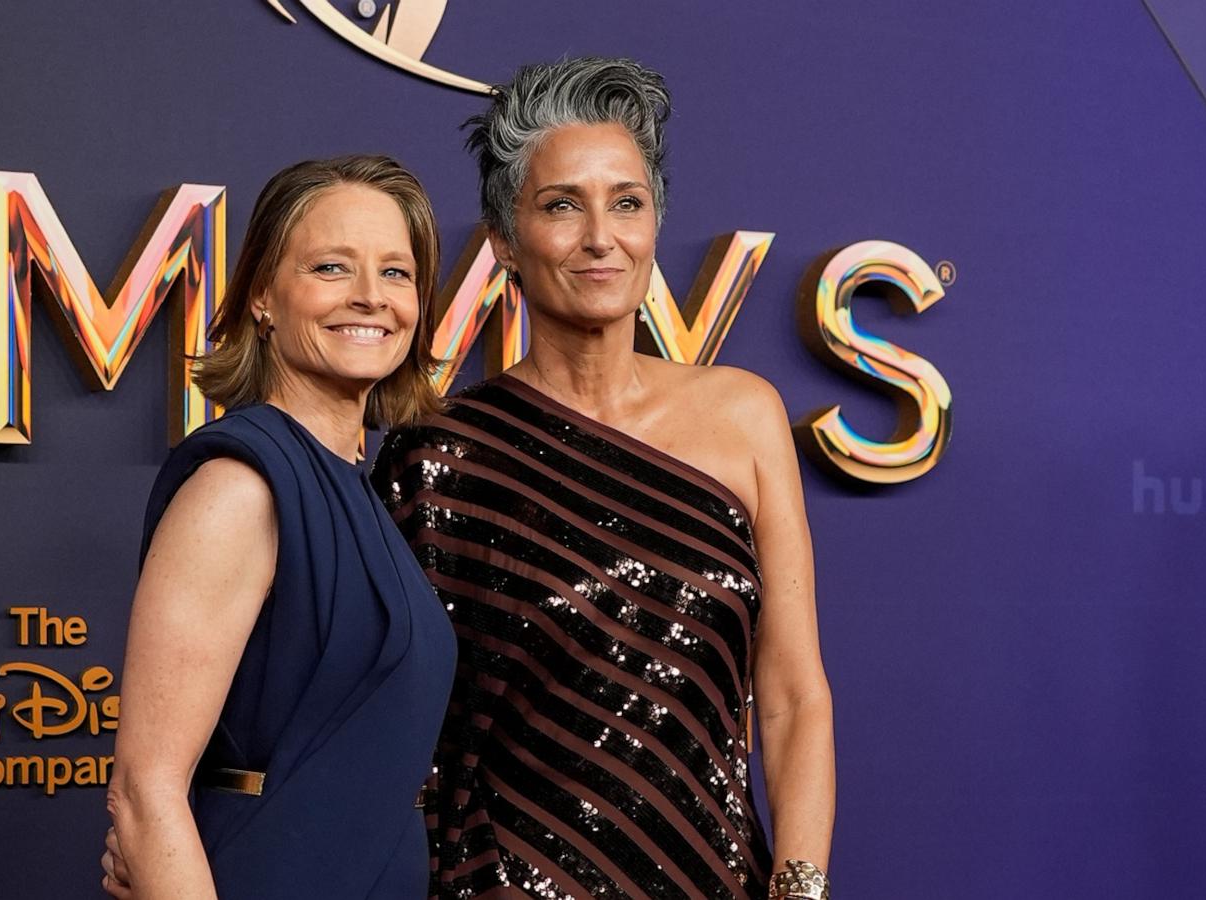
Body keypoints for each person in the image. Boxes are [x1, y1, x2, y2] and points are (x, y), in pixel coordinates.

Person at [376, 58, 836, 899]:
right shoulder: (438, 457)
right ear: (504, 239)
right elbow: (398, 739)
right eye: (561, 205)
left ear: (654, 223)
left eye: (627, 202)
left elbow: (793, 694)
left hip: (713, 878)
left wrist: (799, 889)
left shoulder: (746, 416)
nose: (601, 237)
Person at [103, 154, 457, 899]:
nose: (371, 298)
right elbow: (145, 791)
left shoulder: (368, 491)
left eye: (396, 273)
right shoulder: (240, 486)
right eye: (332, 267)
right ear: (263, 295)